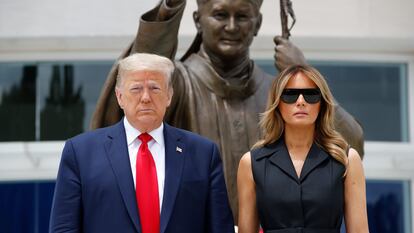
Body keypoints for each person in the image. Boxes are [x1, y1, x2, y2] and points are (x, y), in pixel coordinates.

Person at [91, 0, 364, 223]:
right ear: (199, 20)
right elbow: (141, 74)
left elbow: (350, 148)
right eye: (220, 15)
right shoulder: (177, 85)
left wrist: (303, 74)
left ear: (257, 24)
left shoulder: (281, 95)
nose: (231, 26)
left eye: (243, 16)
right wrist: (169, 8)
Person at [49, 53, 234, 233]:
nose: (146, 97)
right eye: (136, 88)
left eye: (154, 88)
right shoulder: (81, 153)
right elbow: (64, 227)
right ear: (120, 97)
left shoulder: (202, 153)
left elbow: (220, 227)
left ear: (169, 96)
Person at [237, 65, 369, 233]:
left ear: (322, 104)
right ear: (277, 103)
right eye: (290, 95)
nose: (301, 101)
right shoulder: (251, 163)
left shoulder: (347, 160)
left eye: (311, 95)